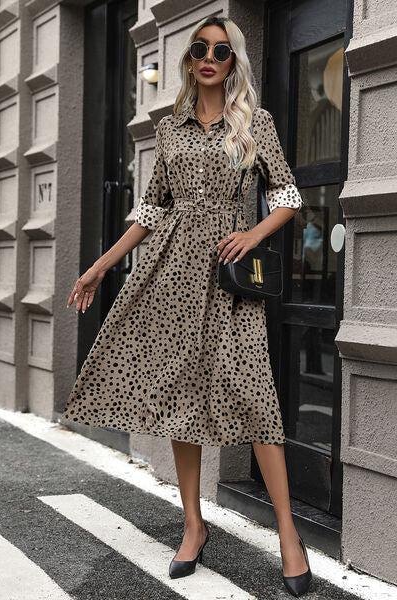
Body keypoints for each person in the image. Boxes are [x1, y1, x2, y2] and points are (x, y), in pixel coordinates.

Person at [62, 15, 312, 597]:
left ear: (233, 62)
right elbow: (150, 211)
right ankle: (193, 525)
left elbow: (288, 196)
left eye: (221, 51)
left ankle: (288, 534)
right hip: (173, 277)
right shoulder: (170, 129)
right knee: (182, 395)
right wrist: (100, 267)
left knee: (256, 395)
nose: (208, 57)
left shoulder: (255, 123)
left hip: (228, 281)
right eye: (199, 48)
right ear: (187, 60)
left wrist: (252, 234)